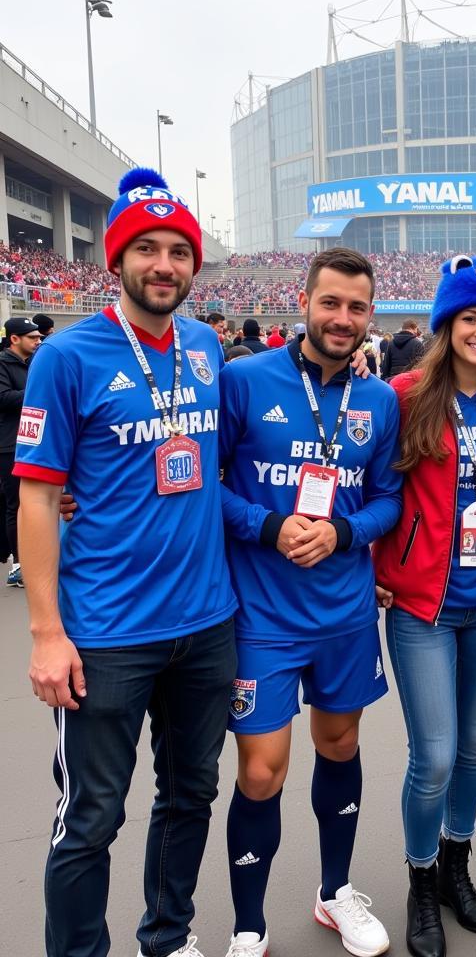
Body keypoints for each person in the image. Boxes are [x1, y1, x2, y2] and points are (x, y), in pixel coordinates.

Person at [17, 167, 237, 957]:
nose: (165, 265)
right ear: (116, 261)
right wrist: (47, 632)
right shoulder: (67, 356)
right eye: (147, 248)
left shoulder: (209, 346)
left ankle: (167, 937)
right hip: (107, 631)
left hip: (208, 623)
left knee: (190, 797)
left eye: (179, 250)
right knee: (92, 817)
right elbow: (38, 500)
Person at [218, 246, 402, 957]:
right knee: (262, 770)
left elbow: (389, 498)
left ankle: (334, 894)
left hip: (344, 614)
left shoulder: (378, 400)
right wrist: (269, 526)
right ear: (304, 301)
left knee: (342, 744)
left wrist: (343, 532)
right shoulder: (244, 381)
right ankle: (247, 925)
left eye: (357, 307)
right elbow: (210, 485)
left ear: (370, 316)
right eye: (331, 302)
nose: (343, 318)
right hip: (261, 615)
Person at [374, 255, 476, 957]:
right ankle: (418, 882)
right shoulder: (403, 394)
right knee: (434, 755)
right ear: (446, 325)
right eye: (469, 318)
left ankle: (454, 869)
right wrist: (374, 567)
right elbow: (366, 487)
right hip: (421, 606)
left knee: (474, 747)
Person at [0, 316, 43, 587]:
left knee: (36, 504)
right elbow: (3, 398)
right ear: (15, 339)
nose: (38, 341)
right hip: (9, 445)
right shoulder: (2, 364)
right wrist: (37, 391)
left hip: (35, 442)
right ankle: (19, 565)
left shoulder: (34, 363)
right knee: (17, 506)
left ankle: (36, 560)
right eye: (32, 337)